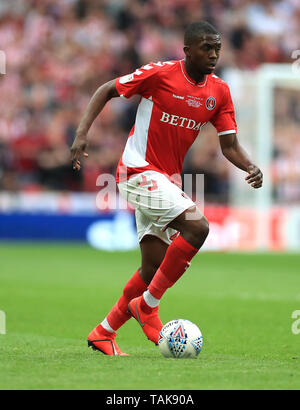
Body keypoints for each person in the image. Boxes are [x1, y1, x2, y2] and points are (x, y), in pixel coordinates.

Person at [70, 21, 263, 356]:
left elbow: (229, 145)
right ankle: (148, 306)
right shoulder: (159, 74)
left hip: (166, 180)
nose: (214, 54)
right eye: (206, 47)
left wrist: (250, 166)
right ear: (187, 50)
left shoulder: (219, 91)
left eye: (217, 47)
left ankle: (104, 332)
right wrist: (81, 134)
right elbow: (106, 89)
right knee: (197, 226)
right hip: (136, 170)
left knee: (152, 267)